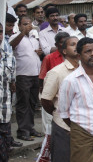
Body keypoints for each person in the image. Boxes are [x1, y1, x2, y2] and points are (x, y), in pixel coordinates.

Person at [41, 36, 79, 161]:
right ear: (64, 51)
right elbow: (46, 100)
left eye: (78, 44)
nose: (76, 47)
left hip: (82, 127)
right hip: (63, 126)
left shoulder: (84, 70)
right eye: (72, 44)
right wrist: (58, 113)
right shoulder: (57, 72)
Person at [9, 16, 43, 141]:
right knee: (23, 103)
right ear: (19, 26)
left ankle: (30, 128)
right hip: (22, 75)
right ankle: (22, 131)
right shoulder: (15, 37)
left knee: (32, 103)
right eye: (24, 24)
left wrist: (39, 52)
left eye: (29, 24)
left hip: (35, 74)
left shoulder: (34, 38)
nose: (27, 26)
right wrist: (22, 33)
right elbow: (11, 46)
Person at [38, 32, 70, 138]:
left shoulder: (74, 57)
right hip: (51, 97)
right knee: (50, 128)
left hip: (68, 99)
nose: (65, 45)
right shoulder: (49, 58)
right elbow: (42, 78)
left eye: (67, 42)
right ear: (56, 45)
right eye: (62, 43)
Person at [0, 22, 23, 160]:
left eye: (0, 31)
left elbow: (10, 81)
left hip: (4, 113)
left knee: (4, 154)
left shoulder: (8, 55)